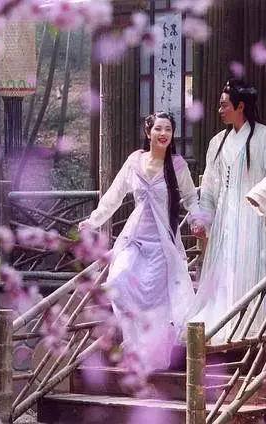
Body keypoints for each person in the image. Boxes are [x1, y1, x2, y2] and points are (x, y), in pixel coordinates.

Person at [78, 111, 204, 371]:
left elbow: (191, 198)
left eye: (168, 129)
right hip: (134, 239)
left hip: (162, 244)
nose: (163, 133)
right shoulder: (134, 161)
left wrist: (197, 219)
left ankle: (152, 356)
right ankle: (134, 347)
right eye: (158, 128)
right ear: (148, 132)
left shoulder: (177, 165)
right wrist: (93, 221)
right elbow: (114, 195)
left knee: (154, 302)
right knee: (117, 281)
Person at [190, 79, 266, 343]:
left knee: (250, 264)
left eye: (224, 105)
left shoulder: (265, 137)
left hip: (252, 214)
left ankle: (252, 324)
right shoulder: (217, 142)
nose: (220, 110)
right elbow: (210, 185)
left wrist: (259, 194)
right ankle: (224, 322)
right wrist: (203, 217)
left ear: (240, 106)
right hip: (225, 217)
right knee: (225, 267)